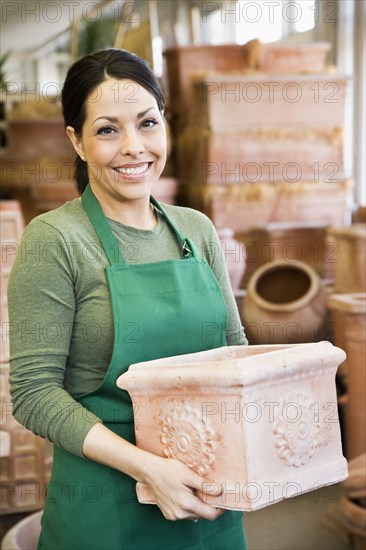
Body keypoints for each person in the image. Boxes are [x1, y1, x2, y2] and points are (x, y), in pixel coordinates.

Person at [8, 48, 248, 550]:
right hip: (107, 503)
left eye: (147, 123)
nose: (134, 148)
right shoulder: (55, 239)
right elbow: (33, 393)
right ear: (76, 140)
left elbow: (234, 352)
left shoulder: (196, 230)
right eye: (107, 130)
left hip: (213, 497)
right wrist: (148, 469)